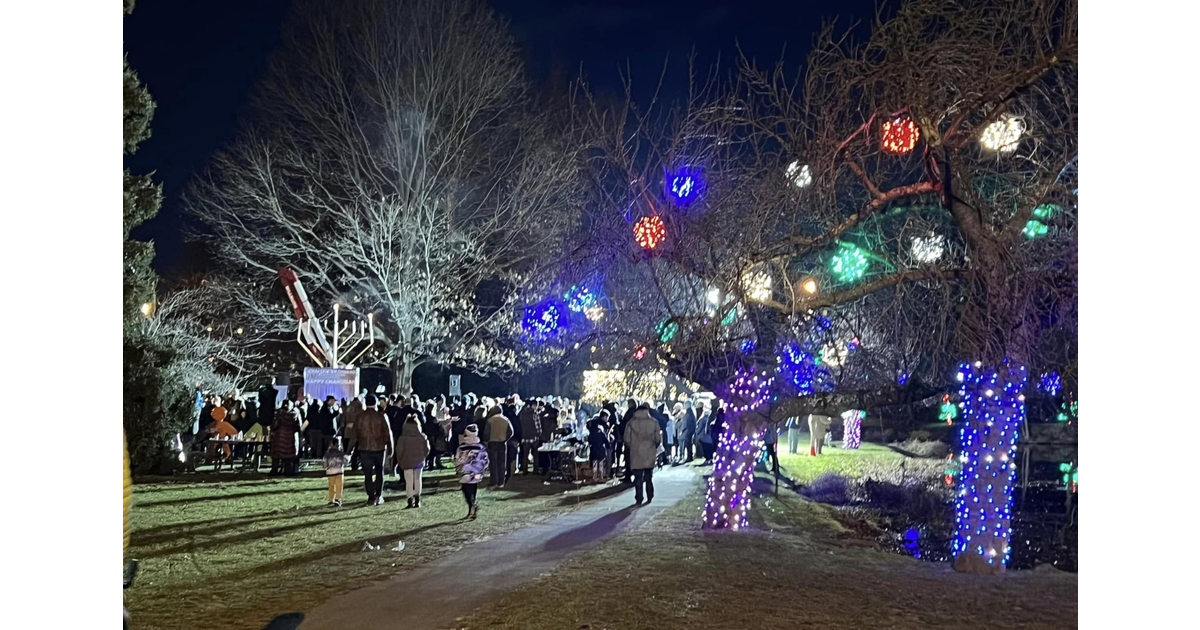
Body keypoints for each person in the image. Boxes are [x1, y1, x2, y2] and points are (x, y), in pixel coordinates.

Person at [350, 394, 394, 505]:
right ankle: (378, 495)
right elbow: (388, 433)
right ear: (376, 403)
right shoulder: (381, 416)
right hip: (379, 448)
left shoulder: (360, 417)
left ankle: (371, 497)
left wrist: (348, 450)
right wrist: (390, 447)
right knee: (379, 472)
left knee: (368, 474)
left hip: (364, 448)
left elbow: (354, 435)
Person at [624, 403, 662, 505]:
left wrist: (631, 446)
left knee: (638, 477)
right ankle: (650, 495)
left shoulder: (631, 423)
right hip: (649, 452)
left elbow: (626, 439)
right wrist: (653, 446)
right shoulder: (654, 422)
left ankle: (639, 498)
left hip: (636, 452)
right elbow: (658, 439)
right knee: (648, 476)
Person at [394, 415, 431, 509]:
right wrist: (423, 457)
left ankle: (410, 500)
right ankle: (417, 499)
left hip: (406, 461)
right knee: (418, 479)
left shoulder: (402, 438)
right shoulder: (422, 436)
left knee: (409, 481)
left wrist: (400, 461)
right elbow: (427, 449)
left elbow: (399, 451)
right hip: (419, 461)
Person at [454, 424, 489, 520]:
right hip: (477, 473)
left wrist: (457, 469)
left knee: (466, 490)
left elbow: (457, 460)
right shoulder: (481, 447)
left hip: (465, 473)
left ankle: (472, 506)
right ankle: (472, 507)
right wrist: (483, 470)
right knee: (473, 489)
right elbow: (485, 460)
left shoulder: (461, 448)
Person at [483, 405, 513, 487]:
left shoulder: (489, 421)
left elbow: (486, 433)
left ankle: (493, 481)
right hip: (502, 443)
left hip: (492, 443)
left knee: (493, 463)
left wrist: (487, 440)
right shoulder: (506, 420)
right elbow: (511, 432)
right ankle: (501, 481)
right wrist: (505, 439)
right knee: (502, 463)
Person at [271, 401, 302, 476]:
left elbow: (275, 425)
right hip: (291, 436)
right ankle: (288, 471)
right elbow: (299, 426)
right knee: (289, 456)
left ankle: (275, 470)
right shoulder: (296, 413)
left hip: (280, 436)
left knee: (277, 455)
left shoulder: (279, 413)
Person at [518, 399, 541, 474]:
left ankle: (524, 470)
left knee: (525, 454)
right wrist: (539, 433)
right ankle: (535, 470)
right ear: (533, 405)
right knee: (535, 455)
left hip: (524, 437)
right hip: (534, 437)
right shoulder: (534, 414)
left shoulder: (522, 414)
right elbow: (538, 426)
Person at [323, 437, 346, 507]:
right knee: (339, 486)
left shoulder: (327, 453)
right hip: (339, 472)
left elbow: (324, 462)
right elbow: (344, 461)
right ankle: (337, 499)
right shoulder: (340, 453)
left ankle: (331, 499)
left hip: (330, 472)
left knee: (331, 486)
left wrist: (325, 467)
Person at [587, 414, 609, 482]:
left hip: (593, 451)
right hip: (601, 450)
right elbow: (606, 441)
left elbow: (589, 442)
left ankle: (594, 477)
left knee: (594, 465)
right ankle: (601, 477)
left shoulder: (591, 434)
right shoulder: (601, 433)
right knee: (601, 465)